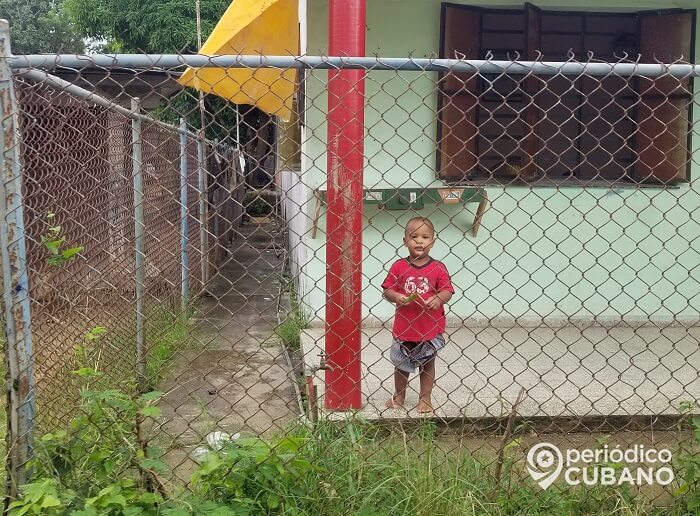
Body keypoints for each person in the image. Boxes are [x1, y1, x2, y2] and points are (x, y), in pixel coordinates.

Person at [381, 217, 454, 413]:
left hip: (429, 328)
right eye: (414, 237)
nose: (419, 241)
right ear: (405, 241)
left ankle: (425, 397)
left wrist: (439, 299)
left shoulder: (439, 267)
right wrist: (397, 296)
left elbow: (447, 290)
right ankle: (399, 395)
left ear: (433, 241)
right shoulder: (398, 266)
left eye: (425, 236)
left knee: (428, 363)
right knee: (400, 365)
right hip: (405, 328)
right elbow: (387, 290)